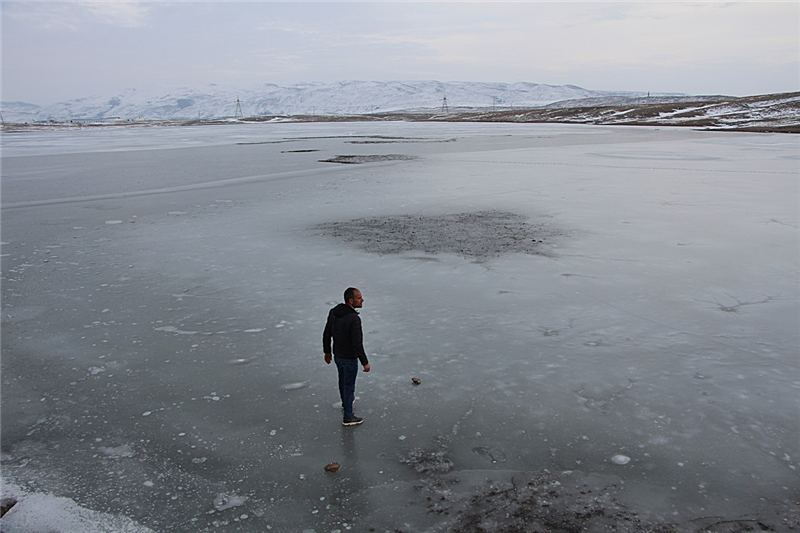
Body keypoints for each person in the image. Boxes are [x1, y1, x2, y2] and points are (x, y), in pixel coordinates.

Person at [323, 287, 371, 426]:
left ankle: (346, 403)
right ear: (351, 301)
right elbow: (357, 344)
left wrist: (327, 352)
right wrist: (365, 362)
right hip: (349, 358)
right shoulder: (354, 319)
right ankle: (348, 417)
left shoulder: (334, 312)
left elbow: (327, 333)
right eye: (359, 298)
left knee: (342, 381)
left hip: (338, 356)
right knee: (349, 385)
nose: (362, 300)